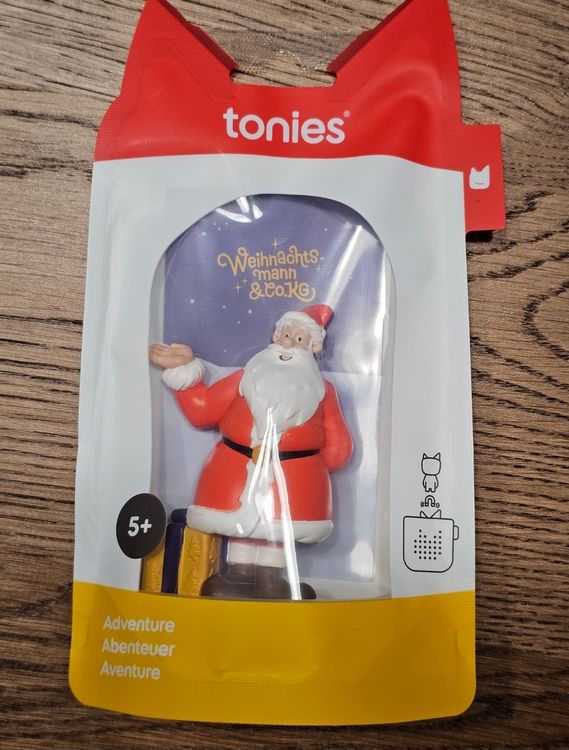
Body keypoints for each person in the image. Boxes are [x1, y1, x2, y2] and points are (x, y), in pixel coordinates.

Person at [149, 304, 352, 599]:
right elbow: (203, 410)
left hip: (293, 482)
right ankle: (238, 577)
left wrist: (319, 463)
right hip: (233, 472)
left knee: (277, 536)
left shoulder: (322, 391)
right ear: (275, 336)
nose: (288, 345)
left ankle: (272, 582)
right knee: (240, 534)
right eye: (286, 335)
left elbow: (338, 449)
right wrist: (184, 368)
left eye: (299, 339)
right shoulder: (248, 378)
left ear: (313, 346)